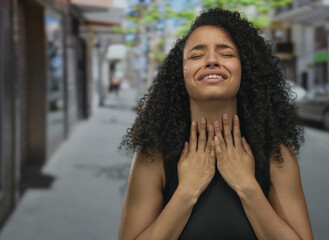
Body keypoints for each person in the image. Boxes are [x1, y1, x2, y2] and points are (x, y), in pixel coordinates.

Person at [119, 8, 313, 240]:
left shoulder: (276, 151)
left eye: (226, 53)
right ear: (181, 72)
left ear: (245, 68)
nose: (211, 60)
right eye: (196, 55)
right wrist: (187, 191)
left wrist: (247, 187)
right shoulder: (154, 152)